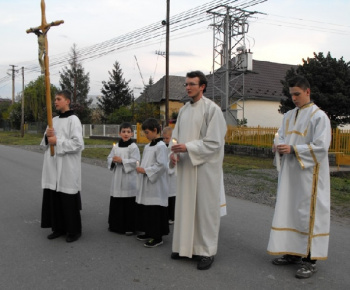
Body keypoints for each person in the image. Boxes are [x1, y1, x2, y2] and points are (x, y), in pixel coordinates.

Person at [267, 75, 332, 279]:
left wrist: (294, 148)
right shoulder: (288, 116)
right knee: (290, 210)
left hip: (309, 175)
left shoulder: (319, 117)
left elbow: (321, 147)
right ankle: (293, 253)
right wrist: (277, 145)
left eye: (297, 94)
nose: (294, 98)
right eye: (291, 95)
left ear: (307, 92)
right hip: (290, 174)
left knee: (308, 213)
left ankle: (309, 260)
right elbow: (281, 136)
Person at [170, 70, 227, 270]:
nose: (187, 87)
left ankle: (206, 251)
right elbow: (175, 137)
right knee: (185, 206)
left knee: (204, 210)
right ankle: (184, 246)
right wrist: (173, 151)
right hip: (186, 166)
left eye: (192, 84)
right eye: (186, 84)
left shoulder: (213, 110)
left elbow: (214, 143)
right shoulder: (184, 110)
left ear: (202, 86)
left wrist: (188, 147)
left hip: (204, 168)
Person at [40, 90, 84, 243]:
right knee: (55, 199)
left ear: (67, 101)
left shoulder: (74, 120)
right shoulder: (53, 120)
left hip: (67, 166)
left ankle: (74, 231)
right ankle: (58, 228)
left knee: (67, 199)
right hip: (53, 166)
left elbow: (78, 144)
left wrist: (57, 141)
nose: (55, 102)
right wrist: (47, 137)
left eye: (58, 99)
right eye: (55, 99)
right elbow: (43, 144)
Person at [135, 118, 169, 248]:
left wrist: (145, 170)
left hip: (156, 184)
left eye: (147, 132)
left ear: (155, 130)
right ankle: (149, 232)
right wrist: (141, 169)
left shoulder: (161, 147)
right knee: (147, 209)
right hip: (147, 182)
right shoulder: (148, 146)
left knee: (155, 210)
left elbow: (162, 166)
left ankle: (157, 236)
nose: (145, 135)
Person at [107, 122, 140, 235]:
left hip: (128, 177)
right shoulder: (116, 146)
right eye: (123, 131)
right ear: (120, 133)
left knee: (129, 203)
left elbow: (136, 161)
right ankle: (116, 225)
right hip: (117, 177)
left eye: (128, 132)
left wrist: (123, 161)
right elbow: (109, 157)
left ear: (132, 133)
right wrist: (112, 160)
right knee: (117, 202)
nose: (126, 134)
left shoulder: (133, 146)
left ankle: (129, 227)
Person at [162, 126, 176, 225]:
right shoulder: (164, 147)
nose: (165, 140)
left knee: (172, 198)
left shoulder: (173, 148)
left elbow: (173, 162)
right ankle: (166, 215)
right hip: (165, 175)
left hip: (172, 177)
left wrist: (167, 168)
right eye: (164, 138)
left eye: (167, 138)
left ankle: (172, 217)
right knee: (166, 197)